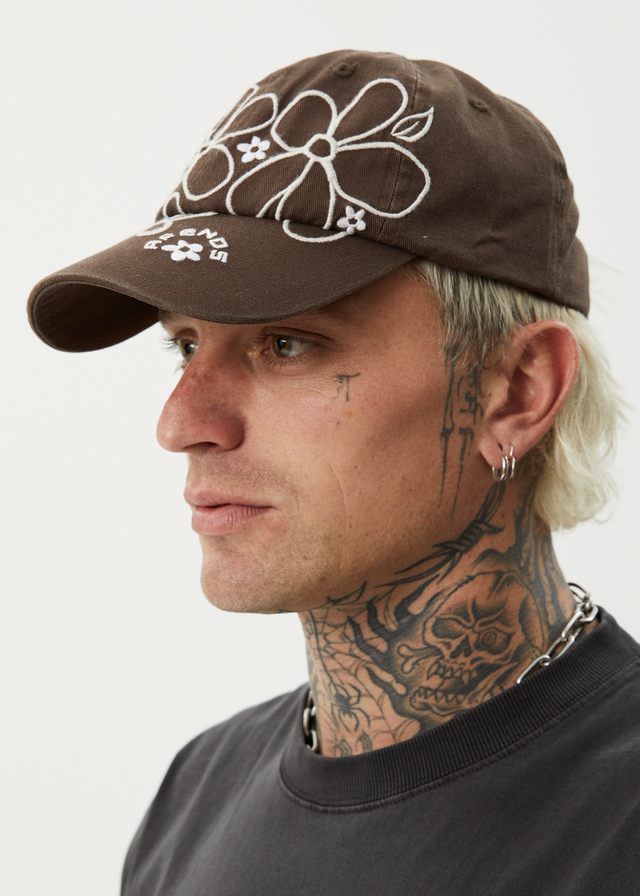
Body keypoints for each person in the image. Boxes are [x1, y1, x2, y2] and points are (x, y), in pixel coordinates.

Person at [28, 49, 639, 894]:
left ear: (517, 391)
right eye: (186, 345)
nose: (180, 425)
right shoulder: (194, 799)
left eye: (287, 344)